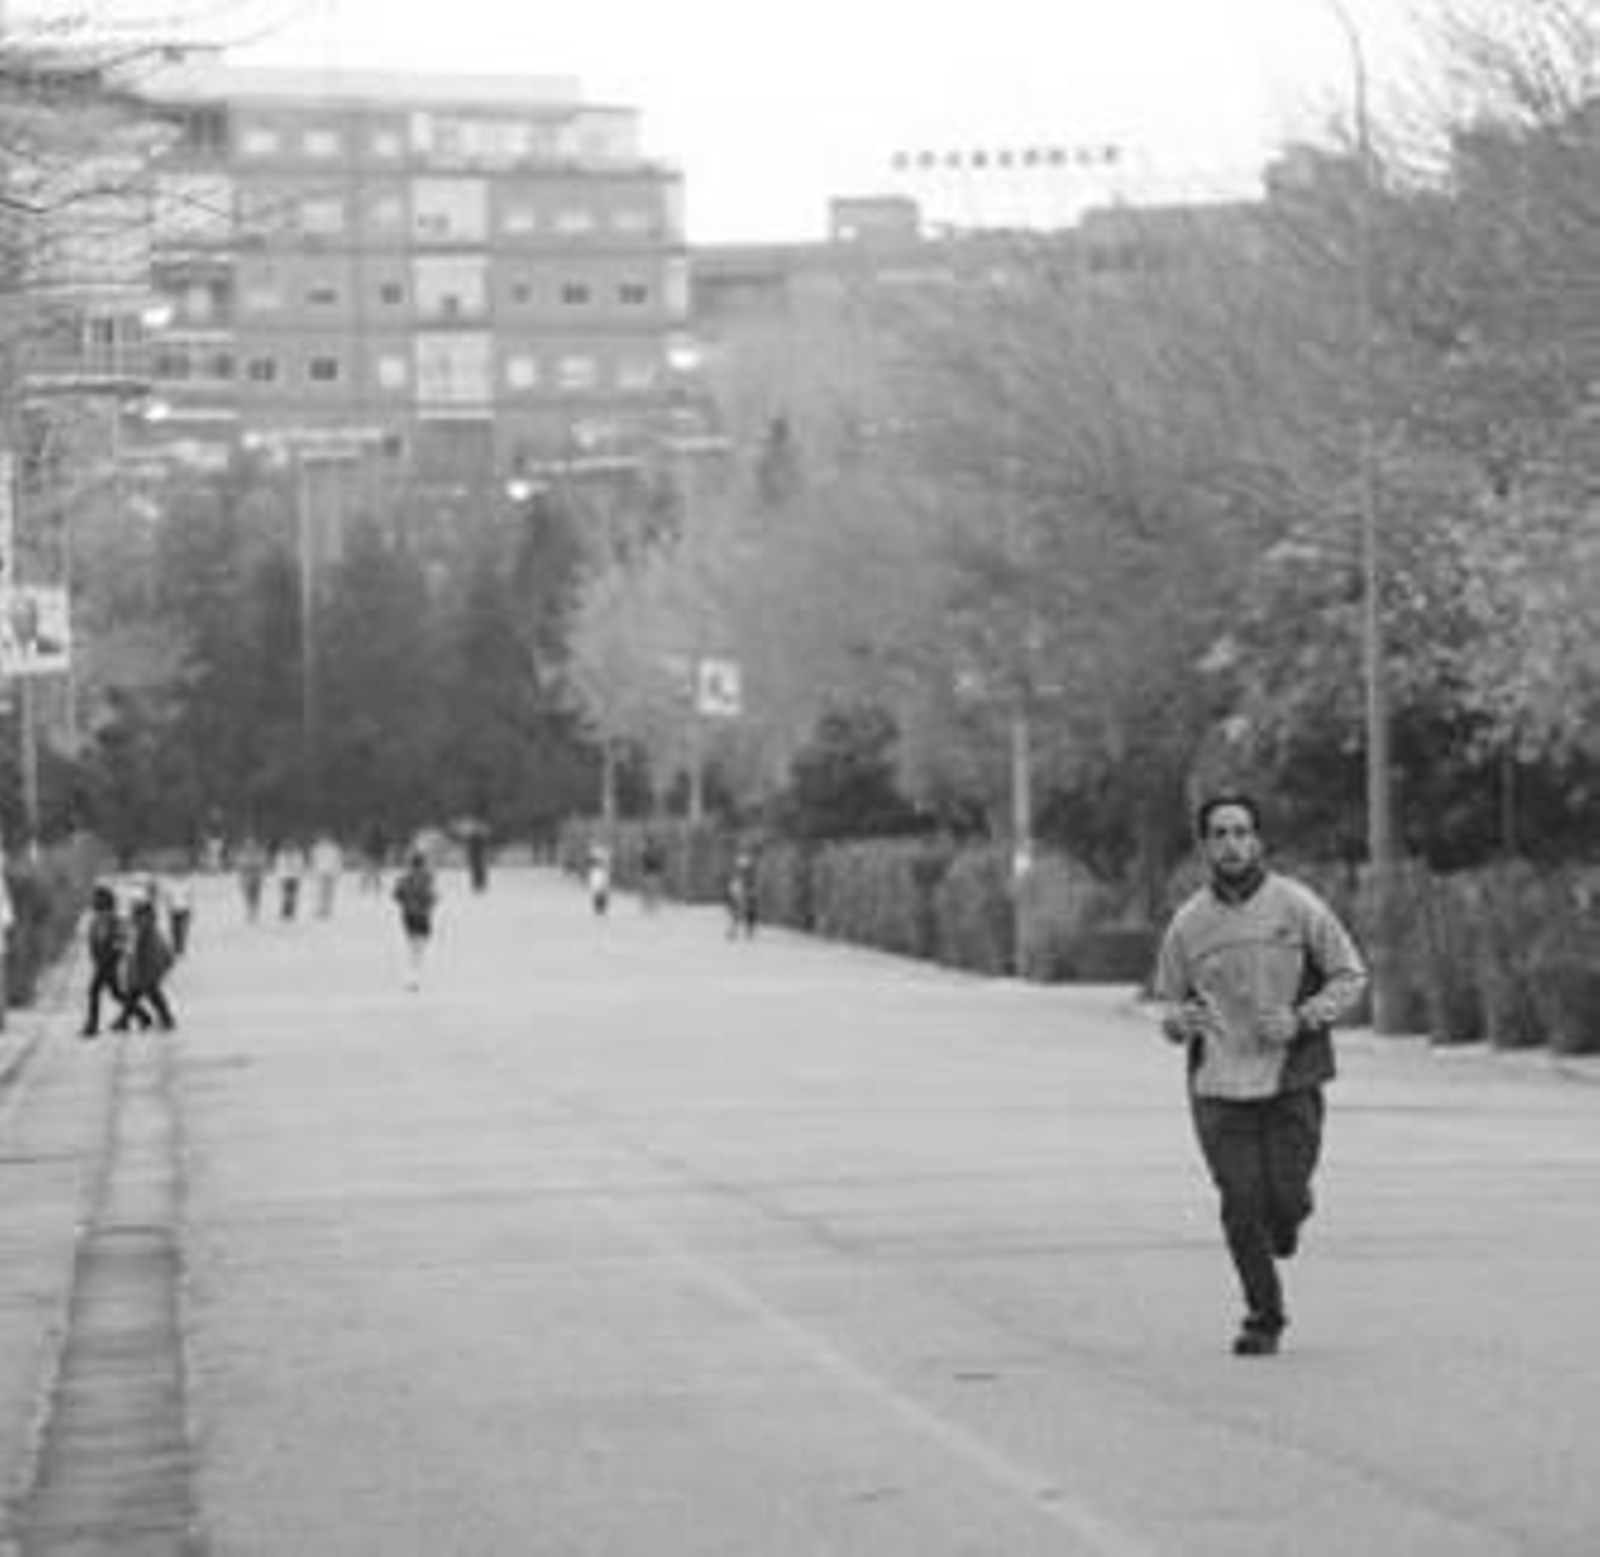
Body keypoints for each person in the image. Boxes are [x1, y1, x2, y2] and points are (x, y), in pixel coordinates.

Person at [1155, 792, 1367, 1358]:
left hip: (1290, 1079)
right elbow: (1168, 1006)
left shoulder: (1298, 907)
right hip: (1220, 1087)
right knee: (1240, 1203)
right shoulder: (1189, 924)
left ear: (1258, 840)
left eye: (1241, 832)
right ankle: (1263, 1316)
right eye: (1220, 834)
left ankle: (1288, 1217)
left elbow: (1350, 975)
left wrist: (1301, 1018)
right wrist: (1181, 1021)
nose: (1231, 844)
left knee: (1286, 1201)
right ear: (1205, 845)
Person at [113, 891, 177, 1032]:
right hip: (150, 964)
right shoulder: (146, 922)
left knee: (150, 992)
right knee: (135, 993)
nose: (131, 911)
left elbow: (133, 942)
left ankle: (167, 1019)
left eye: (134, 909)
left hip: (150, 965)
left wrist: (122, 946)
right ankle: (123, 1021)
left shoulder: (143, 923)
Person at [80, 883, 124, 1038]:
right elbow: (95, 940)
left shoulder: (110, 918)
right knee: (116, 993)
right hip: (102, 961)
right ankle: (142, 1015)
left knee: (93, 991)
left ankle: (92, 1026)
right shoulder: (98, 918)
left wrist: (113, 958)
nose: (93, 901)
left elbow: (117, 941)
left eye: (96, 899)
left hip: (108, 962)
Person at [392, 849, 437, 990]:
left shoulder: (404, 878)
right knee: (419, 948)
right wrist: (429, 903)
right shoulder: (427, 878)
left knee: (413, 947)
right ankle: (413, 979)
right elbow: (431, 897)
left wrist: (406, 902)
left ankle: (412, 977)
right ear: (423, 864)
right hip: (422, 916)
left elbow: (396, 895)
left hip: (408, 916)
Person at [726, 849, 758, 939]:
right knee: (736, 913)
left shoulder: (750, 873)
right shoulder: (737, 873)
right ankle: (733, 931)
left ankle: (748, 931)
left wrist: (751, 892)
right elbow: (733, 883)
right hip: (739, 893)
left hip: (746, 893)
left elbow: (752, 884)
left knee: (749, 912)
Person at [311, 833, 343, 919]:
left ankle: (325, 909)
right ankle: (324, 909)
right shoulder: (318, 848)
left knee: (326, 892)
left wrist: (337, 871)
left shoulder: (332, 849)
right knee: (324, 892)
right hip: (324, 872)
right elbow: (315, 860)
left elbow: (337, 860)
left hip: (327, 872)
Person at [236, 835, 267, 923]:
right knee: (248, 897)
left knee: (255, 897)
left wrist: (258, 871)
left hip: (256, 879)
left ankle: (254, 913)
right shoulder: (242, 854)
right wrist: (242, 877)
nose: (250, 847)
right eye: (248, 845)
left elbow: (262, 865)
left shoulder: (259, 853)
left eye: (252, 845)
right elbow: (240, 867)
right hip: (247, 879)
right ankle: (250, 912)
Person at [586, 843, 611, 918]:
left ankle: (601, 908)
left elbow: (607, 863)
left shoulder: (605, 852)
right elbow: (589, 862)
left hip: (602, 872)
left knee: (602, 891)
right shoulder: (594, 851)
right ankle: (598, 908)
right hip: (596, 872)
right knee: (597, 890)